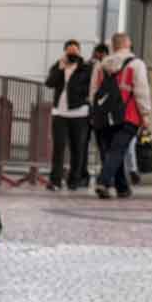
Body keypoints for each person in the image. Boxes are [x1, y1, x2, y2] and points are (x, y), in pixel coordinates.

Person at [90, 33, 152, 199]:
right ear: (128, 44)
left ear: (113, 46)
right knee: (118, 149)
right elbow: (141, 90)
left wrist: (96, 111)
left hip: (104, 115)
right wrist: (146, 114)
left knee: (114, 150)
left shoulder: (100, 66)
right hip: (129, 114)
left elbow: (93, 91)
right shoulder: (136, 64)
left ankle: (122, 188)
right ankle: (103, 181)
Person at [44, 39, 92, 191]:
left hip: (80, 113)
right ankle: (55, 181)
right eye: (69, 51)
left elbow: (91, 86)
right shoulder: (59, 66)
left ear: (79, 52)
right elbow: (50, 83)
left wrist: (84, 99)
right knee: (58, 148)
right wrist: (60, 67)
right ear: (65, 52)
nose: (72, 54)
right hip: (60, 113)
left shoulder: (86, 68)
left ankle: (74, 181)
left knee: (78, 148)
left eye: (75, 51)